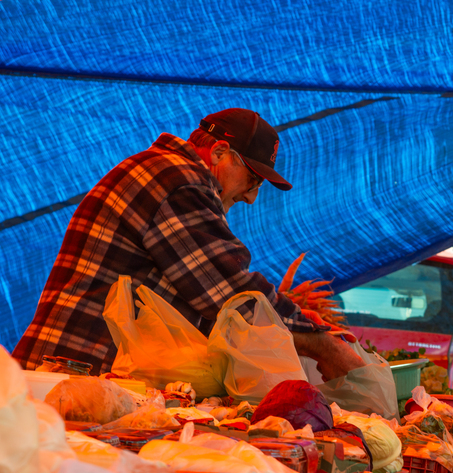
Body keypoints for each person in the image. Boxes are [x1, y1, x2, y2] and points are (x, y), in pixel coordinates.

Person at [13, 108, 362, 382]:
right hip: (69, 376)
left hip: (71, 374)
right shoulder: (178, 180)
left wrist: (299, 322)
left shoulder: (162, 171)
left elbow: (196, 301)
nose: (252, 197)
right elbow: (230, 293)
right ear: (220, 152)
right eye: (253, 179)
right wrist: (324, 346)